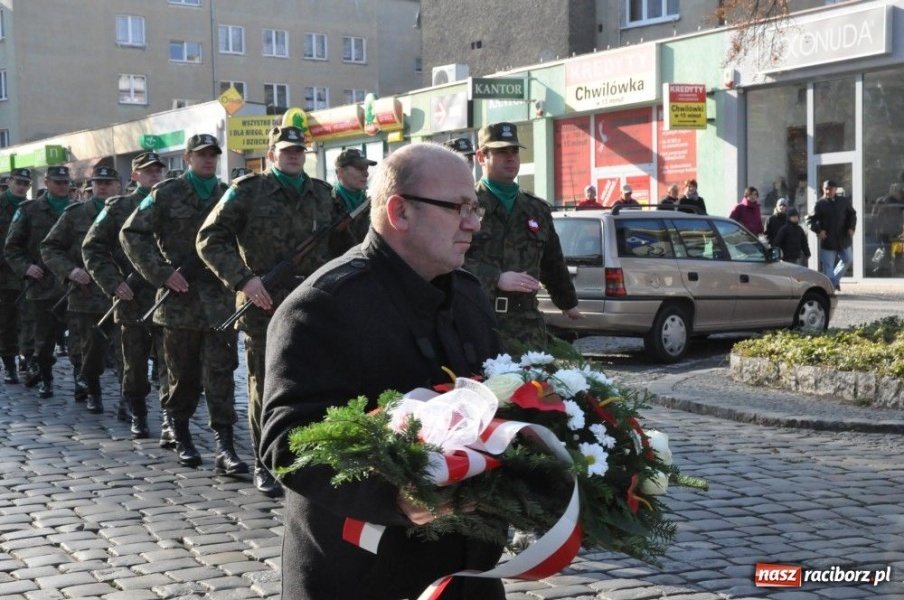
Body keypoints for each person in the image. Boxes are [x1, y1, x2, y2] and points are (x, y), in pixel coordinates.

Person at [260, 142, 505, 600]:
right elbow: (287, 441)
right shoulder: (322, 305)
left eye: (475, 208)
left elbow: (498, 402)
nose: (473, 223)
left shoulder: (468, 294)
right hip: (363, 575)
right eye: (458, 208)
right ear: (400, 212)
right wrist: (393, 495)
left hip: (465, 569)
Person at [197, 125, 337, 497]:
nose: (293, 155)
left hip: (311, 303)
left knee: (311, 381)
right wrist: (243, 279)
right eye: (286, 150)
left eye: (299, 150)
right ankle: (266, 460)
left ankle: (306, 454)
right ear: (272, 154)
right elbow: (209, 239)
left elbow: (343, 244)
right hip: (264, 303)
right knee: (265, 385)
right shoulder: (248, 191)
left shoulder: (322, 194)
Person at [120, 134, 248, 475]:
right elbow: (131, 233)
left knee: (221, 374)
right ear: (188, 158)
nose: (208, 160)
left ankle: (225, 446)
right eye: (201, 155)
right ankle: (181, 433)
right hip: (180, 302)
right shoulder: (166, 193)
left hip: (220, 302)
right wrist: (161, 273)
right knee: (182, 376)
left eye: (213, 155)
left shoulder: (228, 195)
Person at [466, 122, 581, 354]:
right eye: (501, 151)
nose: (510, 158)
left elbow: (552, 261)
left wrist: (568, 303)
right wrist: (495, 278)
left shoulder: (536, 209)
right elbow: (445, 261)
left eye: (514, 151)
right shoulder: (466, 204)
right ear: (481, 157)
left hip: (526, 328)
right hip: (478, 321)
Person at [83, 152, 170, 439]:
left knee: (171, 361)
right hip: (132, 297)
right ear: (134, 176)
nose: (154, 174)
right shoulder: (119, 207)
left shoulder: (174, 202)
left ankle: (170, 417)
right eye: (147, 171)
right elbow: (92, 248)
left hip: (171, 296)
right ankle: (137, 411)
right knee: (134, 361)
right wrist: (113, 283)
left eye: (158, 170)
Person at [40, 165, 119, 414]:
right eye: (98, 183)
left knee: (127, 349)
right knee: (90, 346)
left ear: (118, 186)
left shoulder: (129, 211)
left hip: (124, 291)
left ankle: (129, 401)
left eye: (108, 183)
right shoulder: (76, 214)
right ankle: (92, 390)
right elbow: (50, 247)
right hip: (87, 293)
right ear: (91, 186)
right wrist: (70, 271)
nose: (103, 187)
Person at [4, 165, 73, 399]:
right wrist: (25, 268)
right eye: (57, 182)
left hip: (73, 284)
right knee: (37, 333)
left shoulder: (78, 209)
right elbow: (12, 247)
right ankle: (40, 372)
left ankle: (85, 382)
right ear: (47, 183)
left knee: (79, 336)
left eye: (65, 182)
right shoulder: (29, 210)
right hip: (38, 282)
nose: (62, 186)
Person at [0, 169, 31, 384]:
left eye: (25, 184)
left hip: (28, 274)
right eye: (18, 182)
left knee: (29, 321)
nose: (21, 187)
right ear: (9, 182)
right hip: (4, 275)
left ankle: (27, 359)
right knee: (7, 322)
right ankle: (9, 364)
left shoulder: (31, 208)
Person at [809, 179, 856, 291]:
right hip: (828, 241)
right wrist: (819, 231)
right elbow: (809, 220)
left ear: (835, 190)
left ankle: (834, 281)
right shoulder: (819, 204)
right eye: (826, 189)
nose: (828, 191)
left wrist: (851, 228)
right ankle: (829, 290)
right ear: (823, 189)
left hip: (843, 239)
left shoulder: (843, 201)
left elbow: (852, 215)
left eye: (830, 189)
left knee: (847, 259)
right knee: (828, 267)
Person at [329, 148, 375, 256]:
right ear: (340, 172)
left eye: (366, 168)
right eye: (360, 168)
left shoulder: (373, 204)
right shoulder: (326, 203)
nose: (366, 173)